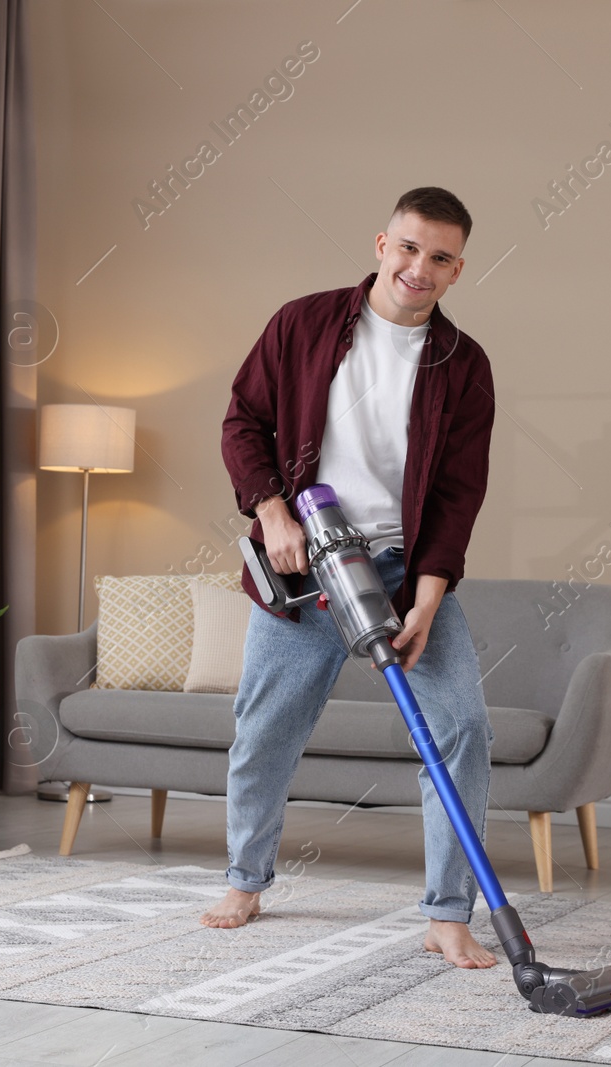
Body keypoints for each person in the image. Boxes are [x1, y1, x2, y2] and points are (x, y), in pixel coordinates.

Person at [208, 187, 499, 967]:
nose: (419, 267)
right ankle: (246, 877)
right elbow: (243, 422)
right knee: (266, 726)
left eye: (439, 257)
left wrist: (430, 595)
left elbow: (458, 493)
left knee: (462, 727)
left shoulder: (463, 365)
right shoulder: (303, 323)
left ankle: (446, 911)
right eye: (408, 247)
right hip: (303, 565)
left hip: (402, 570)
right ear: (381, 243)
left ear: (457, 270)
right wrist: (273, 515)